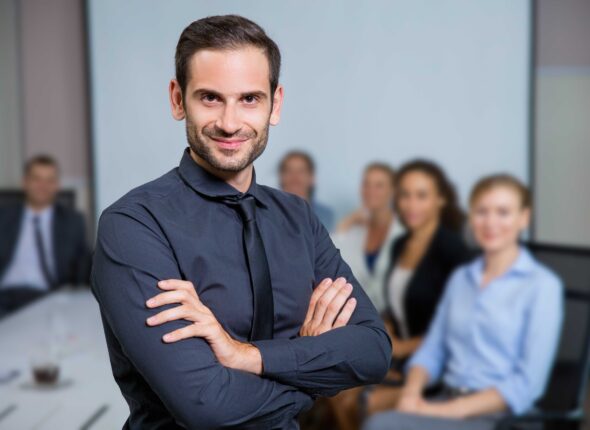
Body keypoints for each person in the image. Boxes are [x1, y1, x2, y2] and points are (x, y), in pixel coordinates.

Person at [90, 15, 391, 430]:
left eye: (249, 99)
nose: (230, 123)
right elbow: (207, 405)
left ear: (276, 104)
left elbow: (373, 351)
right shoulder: (134, 226)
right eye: (210, 98)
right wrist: (313, 373)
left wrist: (246, 356)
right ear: (178, 100)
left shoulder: (298, 218)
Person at [363, 174, 564, 430]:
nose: (491, 222)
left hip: (504, 417)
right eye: (482, 212)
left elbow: (527, 383)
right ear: (471, 218)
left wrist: (448, 411)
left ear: (523, 218)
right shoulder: (461, 279)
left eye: (503, 212)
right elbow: (433, 349)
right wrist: (411, 394)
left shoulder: (542, 286)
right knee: (378, 423)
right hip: (446, 399)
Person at [330, 160, 470, 430]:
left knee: (358, 404)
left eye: (421, 196)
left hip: (437, 363)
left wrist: (398, 350)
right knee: (334, 393)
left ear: (440, 199)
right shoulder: (399, 245)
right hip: (398, 353)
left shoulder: (453, 251)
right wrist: (385, 336)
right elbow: (396, 308)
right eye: (405, 195)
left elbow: (458, 328)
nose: (410, 204)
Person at [0, 155, 91, 318]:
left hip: (46, 299)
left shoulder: (72, 221)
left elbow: (82, 266)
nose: (43, 186)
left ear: (57, 185)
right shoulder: (4, 216)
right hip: (3, 296)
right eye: (36, 179)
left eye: (50, 180)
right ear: (25, 182)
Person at [331, 163, 404, 314]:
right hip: (357, 317)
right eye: (366, 184)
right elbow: (330, 258)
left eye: (379, 185)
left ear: (392, 191)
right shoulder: (356, 231)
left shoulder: (402, 231)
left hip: (394, 319)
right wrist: (347, 222)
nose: (371, 191)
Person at [279, 150, 335, 232]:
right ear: (281, 177)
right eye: (289, 171)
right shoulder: (267, 214)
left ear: (312, 178)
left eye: (301, 171)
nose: (294, 177)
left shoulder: (326, 216)